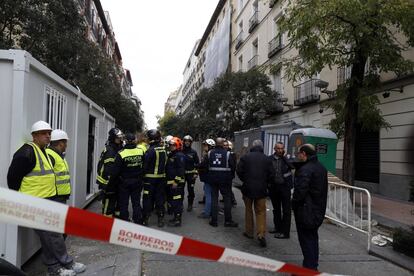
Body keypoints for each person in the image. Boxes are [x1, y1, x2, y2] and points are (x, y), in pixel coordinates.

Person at [7, 121, 85, 276]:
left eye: (49, 133)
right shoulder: (26, 152)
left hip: (47, 200)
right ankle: (66, 263)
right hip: (35, 202)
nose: (48, 136)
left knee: (48, 236)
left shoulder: (42, 150)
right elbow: (12, 178)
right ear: (34, 136)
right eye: (43, 133)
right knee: (53, 235)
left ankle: (55, 267)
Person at [292, 144, 328, 271]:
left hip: (306, 211)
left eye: (299, 154)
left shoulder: (306, 169)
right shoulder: (321, 168)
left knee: (306, 241)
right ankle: (312, 266)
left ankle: (309, 268)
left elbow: (299, 192)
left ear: (304, 154)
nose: (298, 156)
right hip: (317, 209)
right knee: (312, 239)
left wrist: (294, 204)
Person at [236, 140, 275, 247]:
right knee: (261, 212)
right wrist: (266, 183)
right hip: (261, 189)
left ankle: (249, 232)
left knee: (248, 210)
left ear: (252, 147)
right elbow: (272, 174)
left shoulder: (245, 157)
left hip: (247, 188)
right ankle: (261, 234)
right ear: (262, 147)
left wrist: (245, 179)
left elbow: (239, 170)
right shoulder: (267, 159)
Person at [108, 133, 145, 224]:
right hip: (137, 181)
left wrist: (110, 184)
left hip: (124, 182)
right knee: (136, 202)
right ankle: (138, 220)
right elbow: (144, 166)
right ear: (134, 141)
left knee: (123, 203)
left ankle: (125, 221)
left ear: (125, 141)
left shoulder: (121, 153)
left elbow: (115, 171)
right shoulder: (140, 151)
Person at [204, 137, 238, 227]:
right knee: (227, 199)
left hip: (213, 179)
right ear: (223, 144)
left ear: (215, 143)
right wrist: (231, 177)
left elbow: (204, 165)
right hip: (225, 180)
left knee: (214, 199)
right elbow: (233, 167)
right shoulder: (227, 154)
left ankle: (214, 221)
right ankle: (228, 221)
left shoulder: (210, 153)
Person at [142, 129, 167, 227]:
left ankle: (145, 219)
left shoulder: (150, 150)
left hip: (150, 180)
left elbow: (145, 166)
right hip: (161, 179)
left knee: (147, 199)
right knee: (160, 199)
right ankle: (160, 219)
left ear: (151, 139)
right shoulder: (164, 149)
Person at [96, 127, 124, 217]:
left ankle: (115, 219)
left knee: (115, 201)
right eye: (118, 138)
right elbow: (109, 170)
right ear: (113, 138)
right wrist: (108, 184)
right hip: (108, 181)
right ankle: (106, 221)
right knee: (109, 202)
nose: (120, 140)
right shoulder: (111, 151)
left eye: (120, 138)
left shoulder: (116, 148)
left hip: (114, 180)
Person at [269, 142, 294, 239]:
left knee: (286, 210)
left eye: (282, 148)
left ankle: (285, 232)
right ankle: (277, 227)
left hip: (285, 187)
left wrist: (284, 157)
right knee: (276, 209)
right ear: (274, 149)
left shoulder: (287, 158)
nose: (280, 150)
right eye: (278, 148)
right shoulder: (269, 159)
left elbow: (292, 167)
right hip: (274, 188)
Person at [46, 130, 71, 204]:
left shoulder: (59, 155)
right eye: (65, 142)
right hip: (55, 198)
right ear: (60, 143)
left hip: (60, 196)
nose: (66, 145)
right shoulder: (50, 155)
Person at [165, 137, 186, 226]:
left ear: (177, 146)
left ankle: (178, 220)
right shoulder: (172, 154)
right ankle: (175, 218)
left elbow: (181, 170)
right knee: (173, 201)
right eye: (170, 145)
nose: (171, 146)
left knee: (177, 202)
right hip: (171, 182)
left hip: (177, 183)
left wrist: (176, 181)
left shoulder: (179, 155)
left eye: (173, 145)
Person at [197, 139, 215, 219]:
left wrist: (196, 165)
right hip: (211, 178)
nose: (204, 147)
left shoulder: (208, 155)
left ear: (210, 146)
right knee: (211, 195)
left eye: (205, 145)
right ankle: (212, 211)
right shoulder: (212, 154)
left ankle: (207, 213)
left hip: (208, 178)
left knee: (208, 195)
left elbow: (202, 165)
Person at [182, 135, 199, 212]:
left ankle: (190, 204)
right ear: (183, 142)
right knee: (180, 190)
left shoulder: (194, 152)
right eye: (186, 141)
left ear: (191, 142)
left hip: (191, 175)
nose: (187, 143)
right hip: (181, 175)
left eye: (189, 141)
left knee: (190, 190)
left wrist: (196, 173)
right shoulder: (180, 151)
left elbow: (197, 163)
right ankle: (180, 204)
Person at [223, 140, 237, 206]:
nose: (225, 146)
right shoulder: (223, 153)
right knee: (225, 188)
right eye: (224, 145)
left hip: (229, 175)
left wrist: (232, 174)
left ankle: (232, 200)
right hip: (224, 174)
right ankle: (226, 199)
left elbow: (233, 165)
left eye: (226, 145)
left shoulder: (231, 154)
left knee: (228, 189)